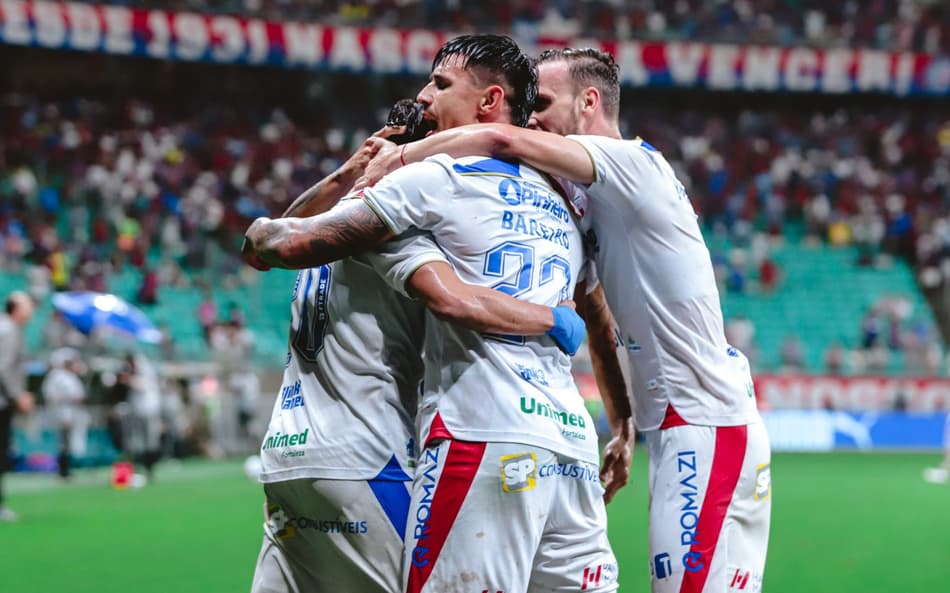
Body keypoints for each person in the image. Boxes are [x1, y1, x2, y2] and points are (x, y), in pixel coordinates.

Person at [357, 47, 772, 593]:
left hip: (706, 422)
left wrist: (404, 159)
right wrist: (623, 425)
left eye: (545, 103)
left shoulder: (632, 162)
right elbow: (598, 317)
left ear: (590, 102)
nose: (533, 117)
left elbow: (500, 138)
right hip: (681, 423)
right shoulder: (598, 201)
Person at [243, 35, 632, 593]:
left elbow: (284, 247)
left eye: (440, 84)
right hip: (566, 441)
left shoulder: (432, 185)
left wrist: (373, 171)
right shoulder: (566, 205)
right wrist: (621, 421)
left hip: (454, 439)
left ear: (488, 101)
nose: (425, 95)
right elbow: (597, 314)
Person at [0, 291, 36, 522]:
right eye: (27, 305)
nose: (31, 309)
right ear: (16, 308)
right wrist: (18, 395)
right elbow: (3, 368)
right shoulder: (9, 330)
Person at [41, 347, 89, 479]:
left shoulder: (71, 376)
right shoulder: (57, 376)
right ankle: (63, 470)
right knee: (63, 443)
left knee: (70, 443)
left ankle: (67, 468)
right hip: (62, 413)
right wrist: (69, 400)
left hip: (73, 413)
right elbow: (51, 396)